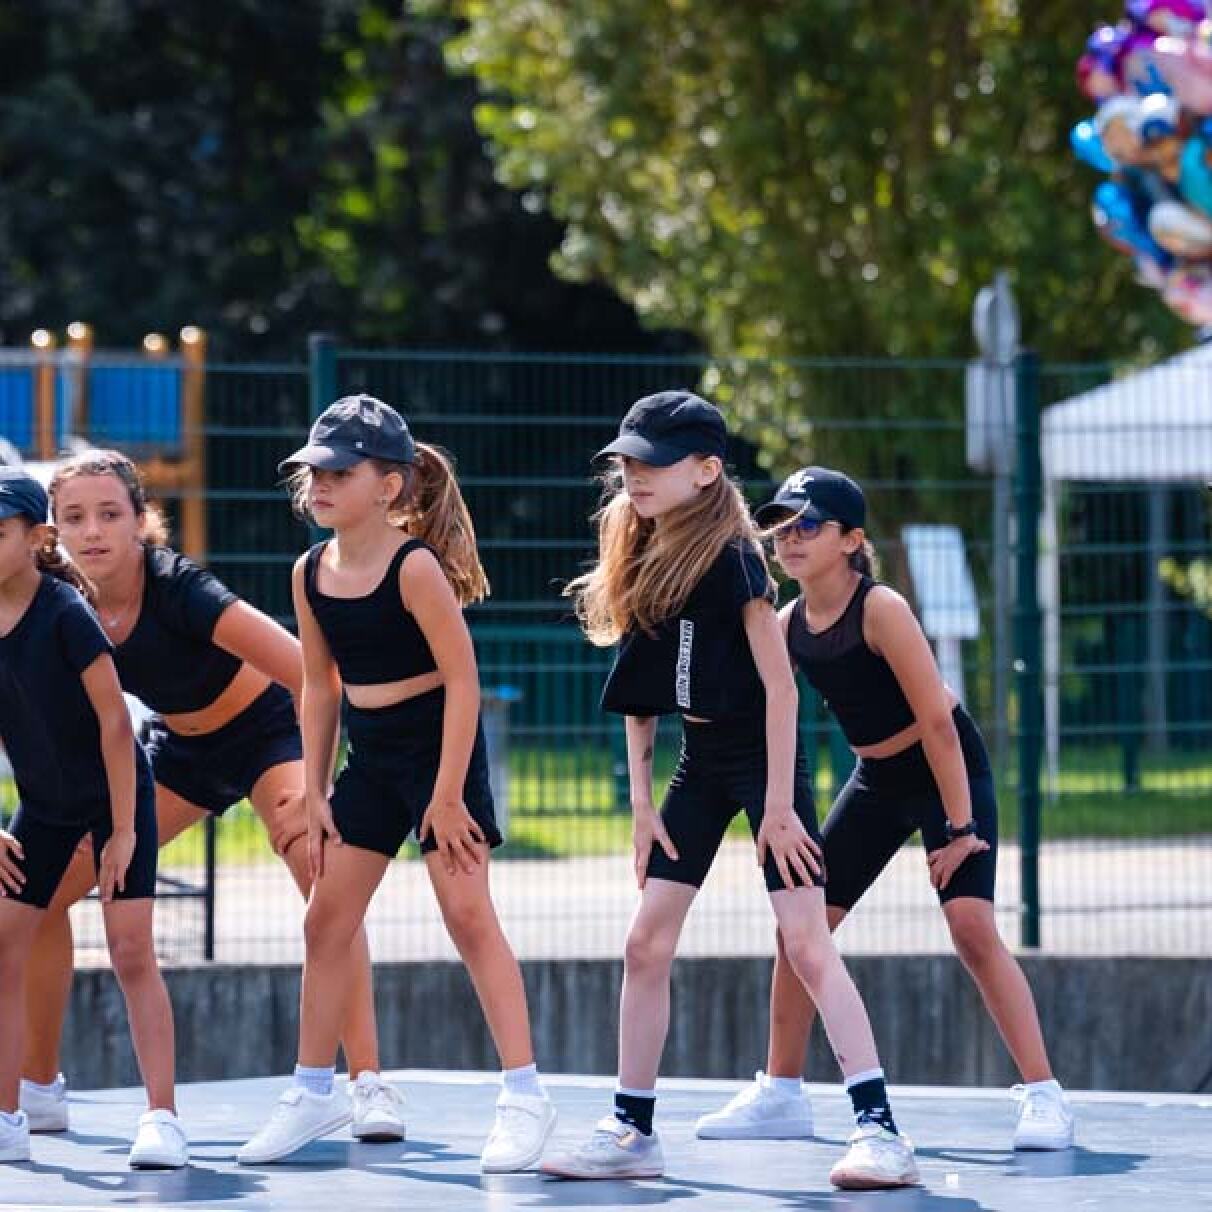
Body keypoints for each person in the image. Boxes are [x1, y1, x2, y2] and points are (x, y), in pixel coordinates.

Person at [540, 393, 918, 1190]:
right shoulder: (643, 548)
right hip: (700, 764)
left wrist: (778, 807)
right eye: (628, 462)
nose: (635, 475)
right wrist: (641, 806)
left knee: (806, 941)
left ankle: (881, 1133)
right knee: (644, 943)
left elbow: (781, 691)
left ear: (707, 471)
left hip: (762, 760)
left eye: (653, 462)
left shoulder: (736, 559)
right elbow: (639, 694)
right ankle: (632, 1130)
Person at [22, 449, 400, 1145]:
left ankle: (368, 1082)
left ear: (140, 520)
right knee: (43, 889)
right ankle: (39, 1089)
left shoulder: (180, 588)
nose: (93, 531)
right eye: (73, 517)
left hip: (265, 733)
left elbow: (311, 673)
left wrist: (319, 785)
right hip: (179, 752)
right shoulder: (60, 598)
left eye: (110, 514)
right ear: (53, 531)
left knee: (318, 868)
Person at [695, 467, 1074, 1151]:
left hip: (944, 768)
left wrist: (960, 829)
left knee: (971, 927)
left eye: (808, 525)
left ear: (851, 540)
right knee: (799, 928)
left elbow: (938, 724)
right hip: (877, 778)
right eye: (780, 527)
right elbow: (753, 702)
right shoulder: (787, 623)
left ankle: (1044, 1095)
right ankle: (781, 1093)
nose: (790, 538)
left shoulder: (881, 609)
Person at [236, 394, 555, 1172]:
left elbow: (464, 681)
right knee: (325, 921)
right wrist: (316, 789)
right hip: (373, 757)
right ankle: (315, 1091)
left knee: (467, 915)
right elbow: (318, 687)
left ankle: (525, 1097)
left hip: (440, 749)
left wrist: (446, 796)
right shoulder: (309, 572)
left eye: (339, 473)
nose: (320, 485)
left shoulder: (414, 567)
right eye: (314, 472)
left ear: (388, 486)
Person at [0, 467, 187, 1168]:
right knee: (3, 947)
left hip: (116, 799)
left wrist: (125, 831)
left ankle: (162, 1118)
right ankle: (11, 1115)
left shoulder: (64, 612)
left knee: (131, 951)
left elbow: (114, 724)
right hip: (44, 809)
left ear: (36, 538)